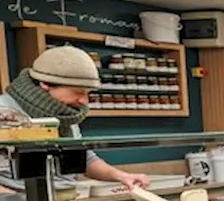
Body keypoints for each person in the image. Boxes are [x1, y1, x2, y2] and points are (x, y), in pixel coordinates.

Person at [0, 45, 150, 189]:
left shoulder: (65, 113)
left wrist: (122, 176)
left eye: (88, 93)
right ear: (45, 83)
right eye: (78, 92)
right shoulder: (3, 110)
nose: (84, 101)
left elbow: (84, 159)